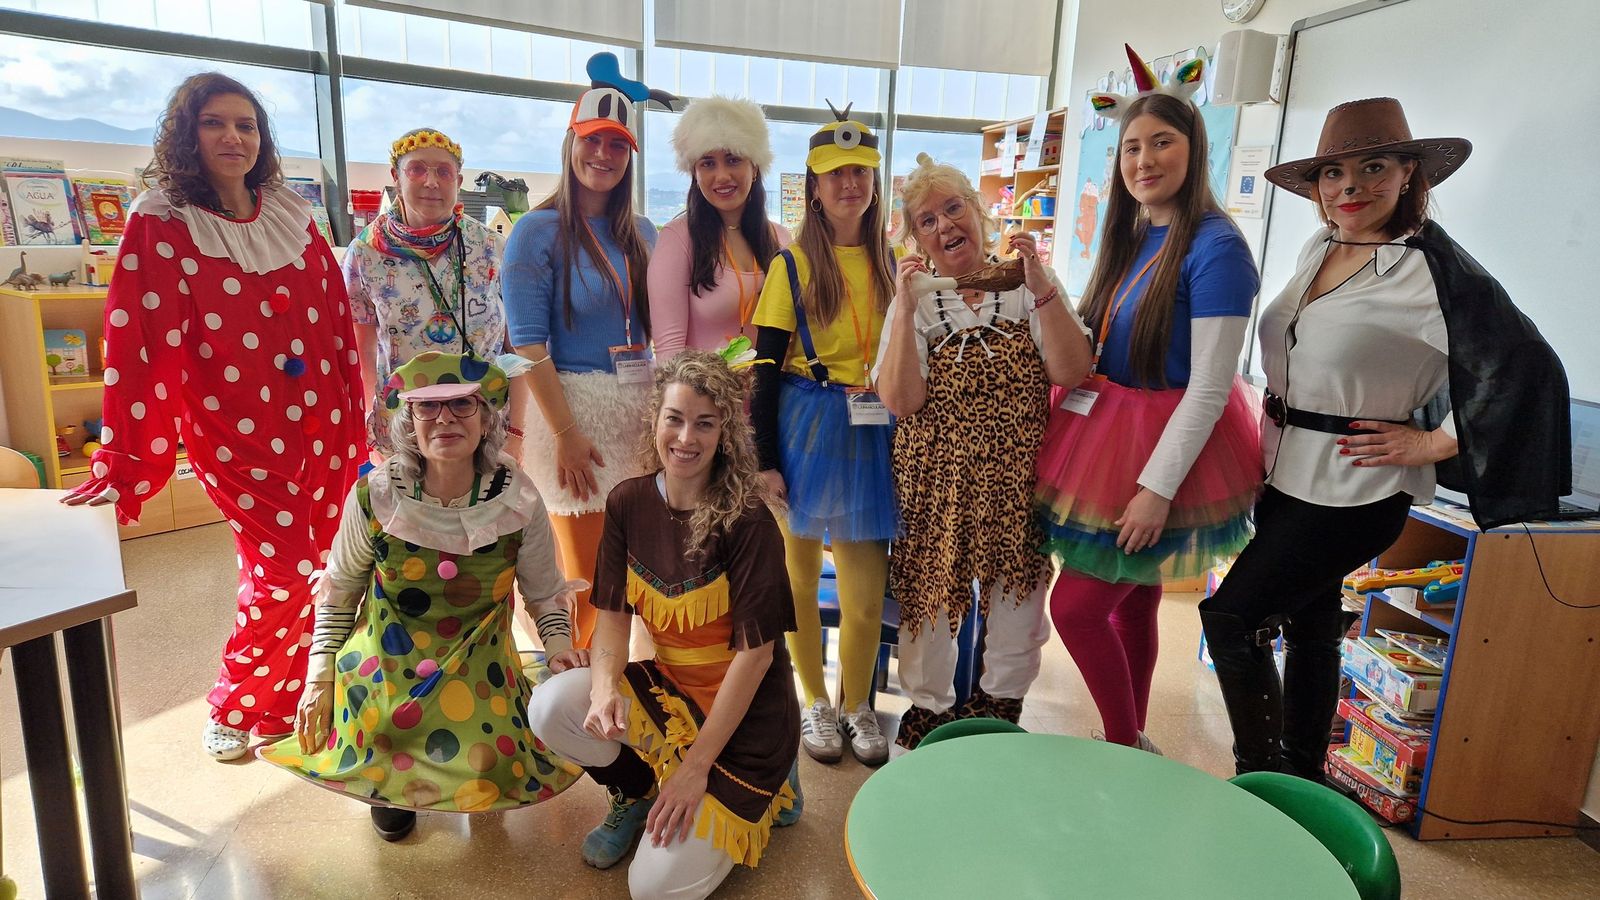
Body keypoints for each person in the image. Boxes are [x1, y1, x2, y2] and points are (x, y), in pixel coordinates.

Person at [1202, 97, 1570, 780]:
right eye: (1333, 174)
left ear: (1408, 173)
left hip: (1354, 490)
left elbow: (1525, 368)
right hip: (1283, 472)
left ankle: (1258, 781)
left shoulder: (1426, 269)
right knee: (1312, 630)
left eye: (1372, 168)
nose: (1350, 188)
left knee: (1232, 617)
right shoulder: (1323, 246)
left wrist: (1431, 443)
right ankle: (1301, 774)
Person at [62, 72, 365, 761]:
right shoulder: (160, 217)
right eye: (215, 123)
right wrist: (127, 454)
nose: (234, 137)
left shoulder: (287, 208)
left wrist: (356, 411)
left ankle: (287, 695)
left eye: (247, 125)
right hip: (236, 433)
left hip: (320, 426)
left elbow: (335, 321)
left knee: (320, 563)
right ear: (185, 134)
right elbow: (138, 343)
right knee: (282, 567)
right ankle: (236, 698)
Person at [1035, 46, 1263, 752]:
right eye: (1132, 146)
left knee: (1075, 608)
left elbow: (1211, 384)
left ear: (1194, 150)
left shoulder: (1217, 246)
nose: (1144, 159)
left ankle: (1121, 742)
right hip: (1108, 429)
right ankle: (1135, 739)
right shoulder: (1132, 236)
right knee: (1135, 601)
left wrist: (1155, 489)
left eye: (1162, 141)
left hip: (1165, 450)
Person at [259, 351, 585, 839]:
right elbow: (341, 590)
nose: (445, 419)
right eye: (427, 408)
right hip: (387, 660)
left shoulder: (517, 497)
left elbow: (542, 594)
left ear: (486, 417)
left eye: (461, 405)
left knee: (487, 759)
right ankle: (388, 786)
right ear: (409, 423)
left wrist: (559, 649)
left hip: (480, 663)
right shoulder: (375, 495)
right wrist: (319, 673)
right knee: (383, 727)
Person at [526, 351, 801, 898]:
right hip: (672, 692)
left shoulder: (750, 520)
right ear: (654, 421)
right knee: (552, 706)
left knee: (652, 888)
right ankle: (635, 789)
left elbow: (757, 657)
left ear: (727, 433)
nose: (686, 438)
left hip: (749, 717)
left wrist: (697, 767)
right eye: (674, 418)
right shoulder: (628, 501)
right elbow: (611, 616)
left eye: (705, 423)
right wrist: (605, 687)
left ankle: (774, 779)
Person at [873, 153, 1093, 749]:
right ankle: (929, 713)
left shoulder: (1025, 286)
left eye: (953, 208)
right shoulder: (918, 301)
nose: (944, 226)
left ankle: (999, 715)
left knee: (1017, 600)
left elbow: (1073, 369)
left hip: (1015, 479)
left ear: (978, 213)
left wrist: (1041, 282)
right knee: (929, 601)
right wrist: (903, 306)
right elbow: (901, 400)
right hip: (933, 480)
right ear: (914, 236)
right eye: (926, 220)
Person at [749, 102, 898, 766]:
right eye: (834, 174)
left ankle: (857, 701)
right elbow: (761, 369)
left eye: (860, 172)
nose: (848, 185)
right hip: (805, 424)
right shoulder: (793, 265)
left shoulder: (893, 263)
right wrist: (765, 460)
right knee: (798, 576)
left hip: (871, 429)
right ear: (812, 186)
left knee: (867, 590)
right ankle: (815, 699)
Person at [504, 54, 668, 648]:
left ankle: (626, 692)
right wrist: (567, 432)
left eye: (617, 146)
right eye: (592, 141)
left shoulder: (643, 233)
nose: (603, 156)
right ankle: (571, 702)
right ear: (571, 142)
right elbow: (526, 341)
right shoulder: (535, 232)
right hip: (573, 417)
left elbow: (661, 323)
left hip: (638, 414)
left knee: (636, 571)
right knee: (584, 577)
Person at [344, 128, 527, 460]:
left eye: (443, 172)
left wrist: (516, 432)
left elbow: (514, 347)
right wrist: (370, 425)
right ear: (396, 178)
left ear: (457, 180)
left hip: (481, 419)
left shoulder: (488, 246)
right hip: (404, 421)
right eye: (417, 169)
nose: (431, 181)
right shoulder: (364, 253)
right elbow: (361, 348)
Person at [648, 96, 790, 360]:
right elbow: (669, 353)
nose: (722, 176)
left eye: (733, 159)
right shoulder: (678, 239)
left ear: (755, 167)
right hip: (703, 399)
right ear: (695, 172)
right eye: (708, 163)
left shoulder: (781, 239)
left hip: (771, 398)